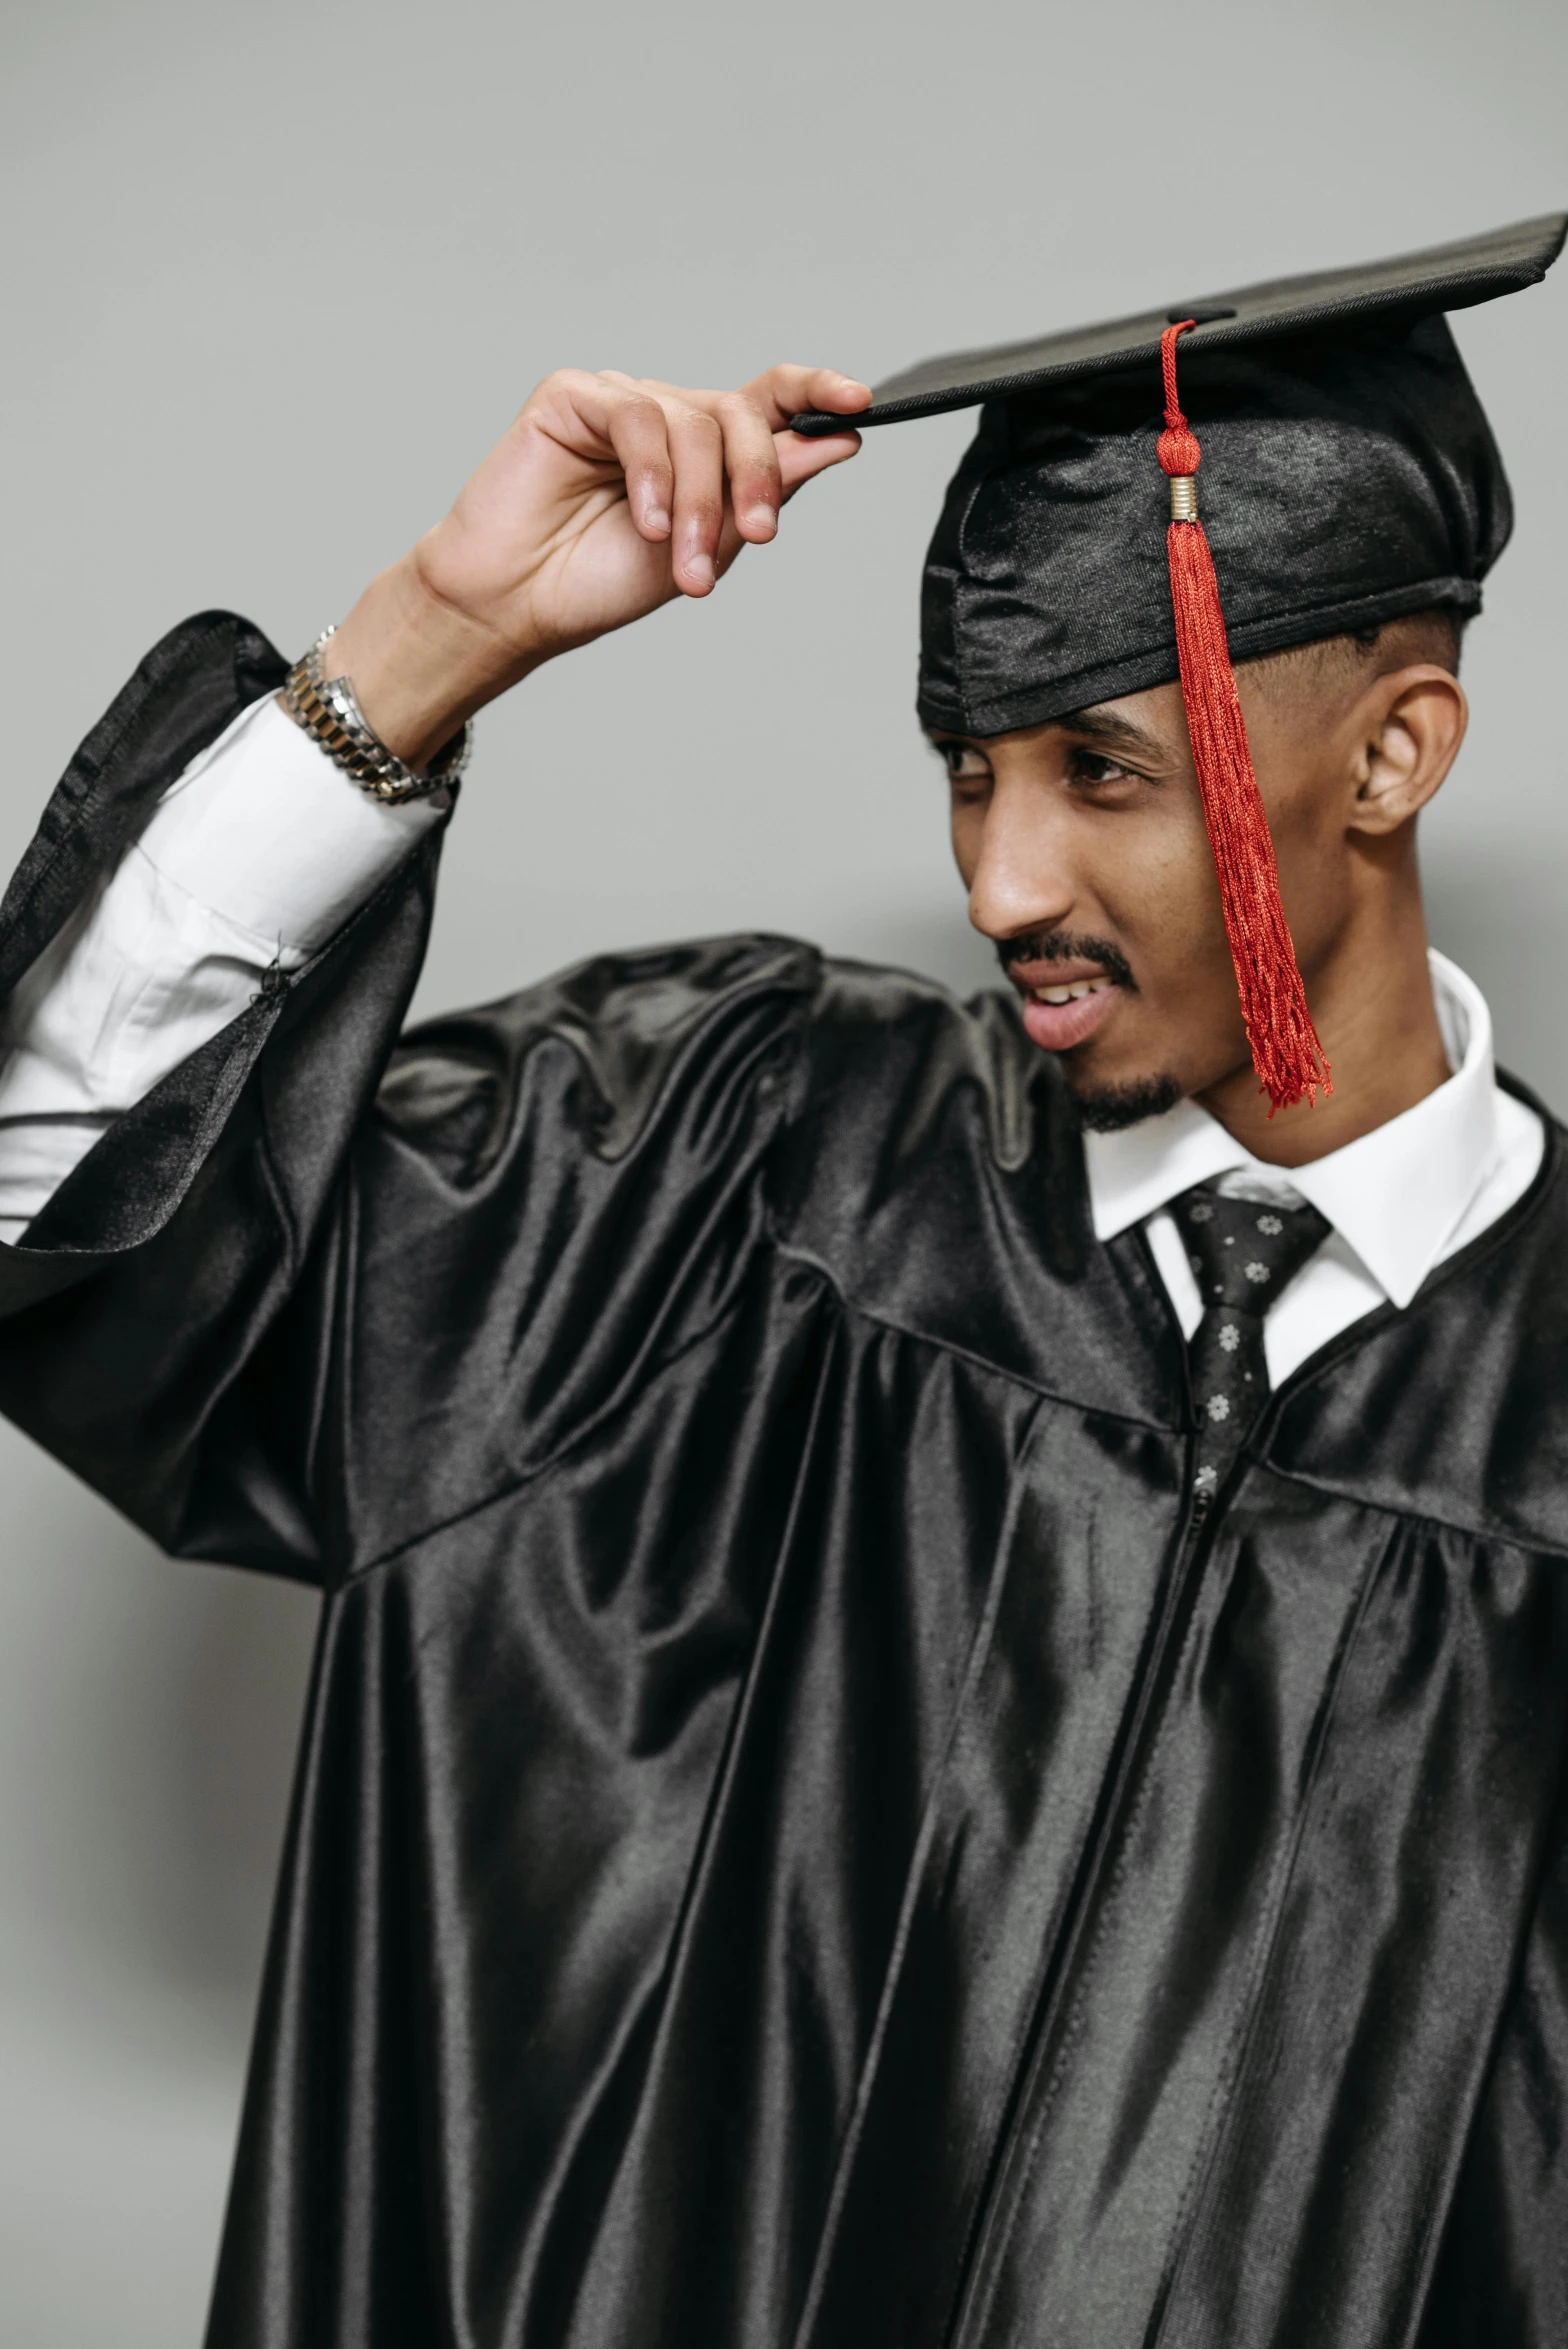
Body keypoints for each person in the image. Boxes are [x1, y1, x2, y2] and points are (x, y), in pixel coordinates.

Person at [0, 213, 1565, 2348]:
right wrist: (432, 638)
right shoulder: (725, 1177)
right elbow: (76, 1236)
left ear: (1388, 756)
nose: (1002, 881)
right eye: (967, 770)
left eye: (1100, 768)